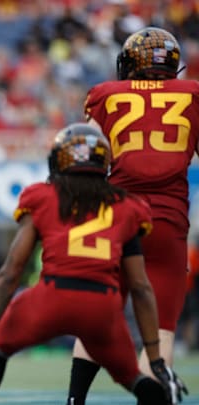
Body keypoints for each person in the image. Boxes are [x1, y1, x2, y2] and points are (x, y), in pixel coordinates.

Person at [0, 123, 186, 405]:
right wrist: (156, 359)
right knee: (133, 377)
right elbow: (140, 287)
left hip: (50, 296)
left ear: (58, 161)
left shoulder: (42, 197)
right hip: (102, 307)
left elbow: (10, 271)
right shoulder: (128, 206)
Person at [67, 26, 198, 405]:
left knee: (98, 318)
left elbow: (83, 156)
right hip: (168, 220)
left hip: (118, 217)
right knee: (162, 330)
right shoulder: (192, 95)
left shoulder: (107, 95)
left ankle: (74, 401)